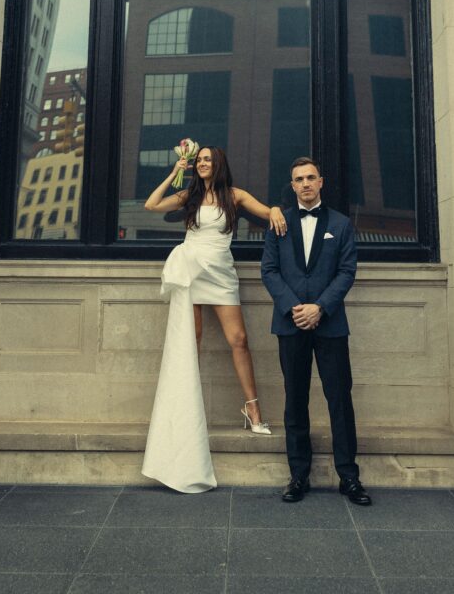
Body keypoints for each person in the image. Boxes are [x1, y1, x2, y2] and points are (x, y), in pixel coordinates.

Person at [142, 145, 286, 493]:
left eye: (208, 160)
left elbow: (268, 214)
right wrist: (175, 169)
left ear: (218, 164)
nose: (203, 164)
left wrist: (279, 207)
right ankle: (185, 417)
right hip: (191, 269)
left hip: (221, 274)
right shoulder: (188, 194)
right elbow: (151, 205)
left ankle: (252, 411)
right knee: (191, 343)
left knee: (239, 340)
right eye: (199, 160)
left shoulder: (234, 196)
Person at [261, 156, 371, 506]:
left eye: (311, 177)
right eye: (299, 179)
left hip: (330, 325)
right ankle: (298, 476)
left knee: (340, 400)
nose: (305, 183)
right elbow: (269, 270)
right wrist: (294, 307)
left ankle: (349, 478)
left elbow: (346, 271)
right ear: (292, 186)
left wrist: (320, 307)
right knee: (294, 401)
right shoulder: (279, 223)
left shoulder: (340, 224)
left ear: (321, 182)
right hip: (290, 324)